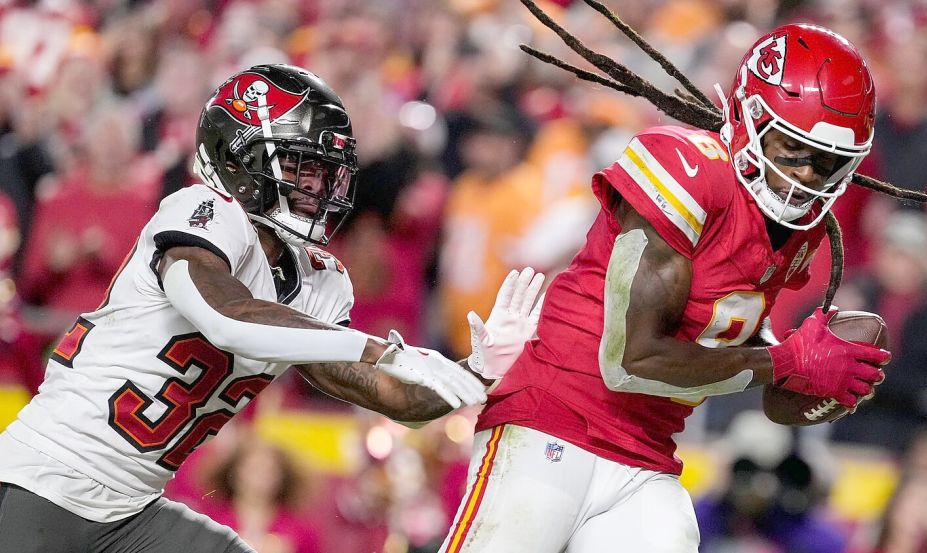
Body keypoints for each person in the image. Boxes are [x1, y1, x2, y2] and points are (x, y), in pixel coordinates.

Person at [438, 2, 927, 552]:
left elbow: (729, 342)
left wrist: (807, 369)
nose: (803, 178)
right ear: (748, 117)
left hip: (647, 457)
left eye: (826, 164)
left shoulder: (799, 234)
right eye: (792, 150)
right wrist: (784, 362)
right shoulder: (687, 171)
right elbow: (631, 361)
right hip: (553, 421)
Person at [0, 64, 543, 553]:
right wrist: (377, 347)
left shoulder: (319, 281)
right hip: (44, 482)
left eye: (326, 171)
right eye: (301, 166)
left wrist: (474, 372)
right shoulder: (203, 212)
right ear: (241, 158)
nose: (318, 185)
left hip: (130, 507)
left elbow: (387, 393)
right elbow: (228, 317)